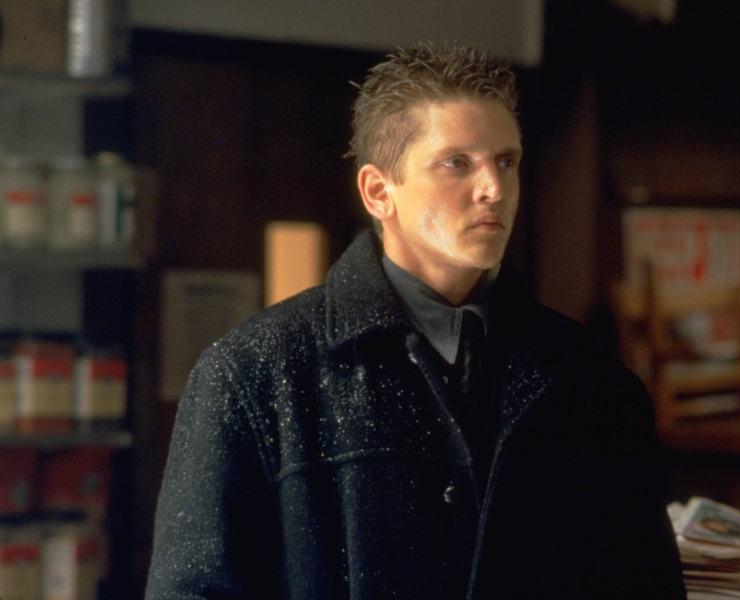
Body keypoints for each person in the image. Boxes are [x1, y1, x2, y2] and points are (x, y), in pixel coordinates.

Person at [145, 43, 685, 599]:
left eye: (506, 161)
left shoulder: (592, 379)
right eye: (457, 163)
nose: (494, 188)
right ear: (379, 192)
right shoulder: (253, 373)